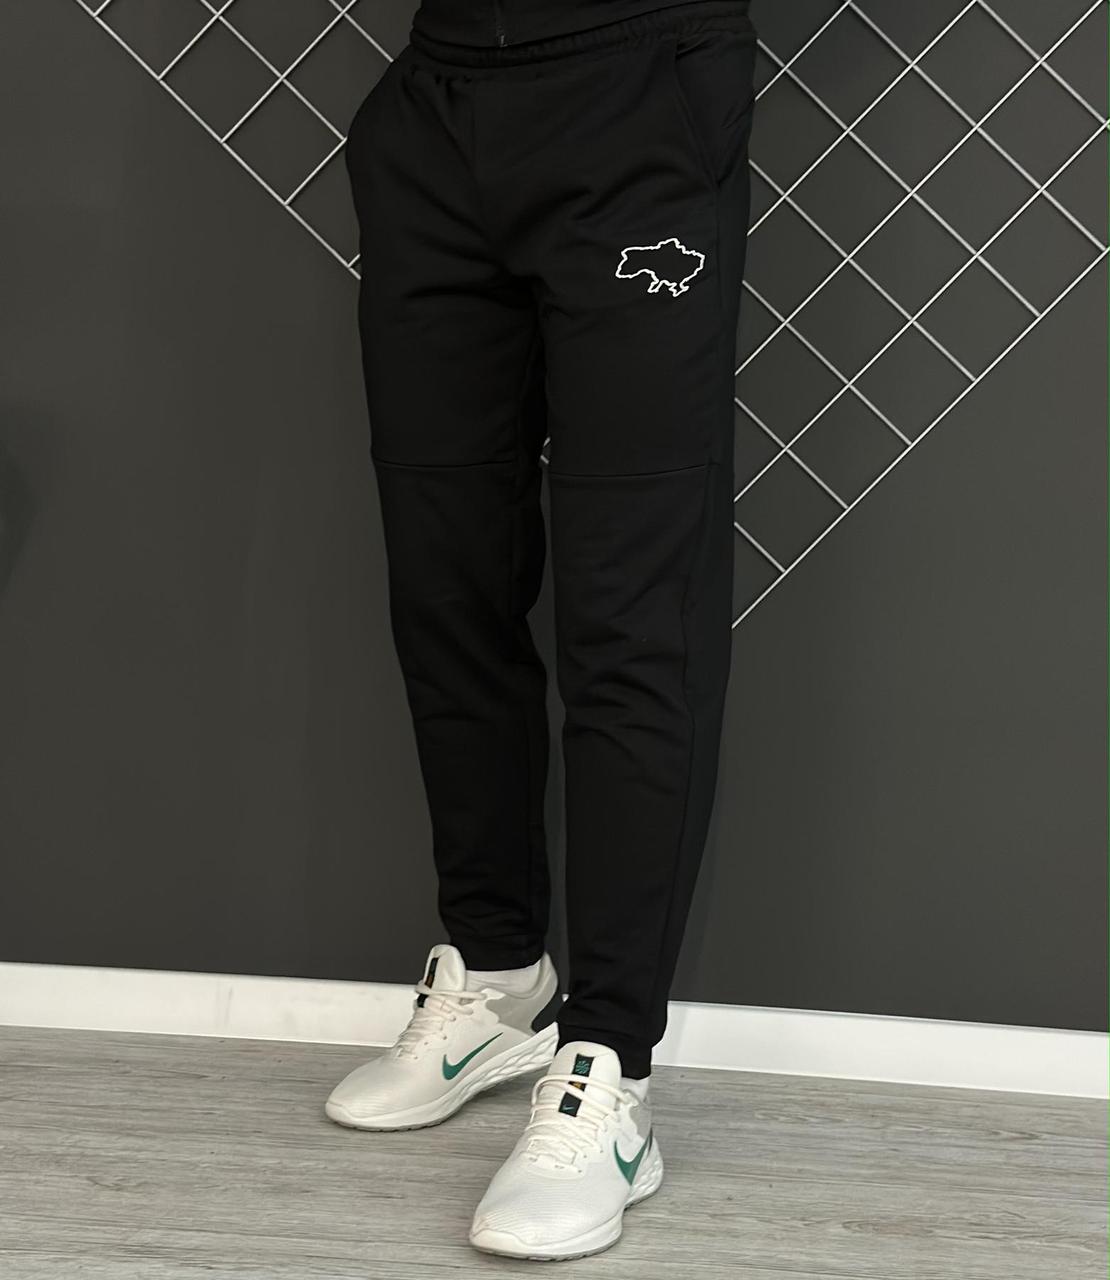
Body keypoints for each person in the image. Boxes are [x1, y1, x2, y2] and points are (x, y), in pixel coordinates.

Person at [328, 0, 757, 1260]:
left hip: (637, 88)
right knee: (447, 579)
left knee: (631, 611)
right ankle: (501, 973)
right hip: (435, 104)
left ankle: (609, 1065)